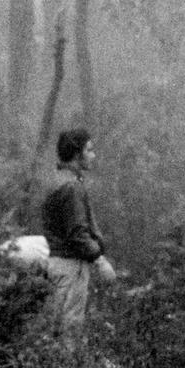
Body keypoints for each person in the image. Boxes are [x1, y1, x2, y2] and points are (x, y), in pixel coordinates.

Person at [40, 128, 114, 335]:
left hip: (57, 263)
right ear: (76, 153)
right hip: (71, 266)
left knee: (56, 324)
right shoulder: (72, 187)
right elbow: (77, 234)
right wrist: (100, 261)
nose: (93, 155)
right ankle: (64, 367)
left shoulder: (56, 180)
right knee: (69, 328)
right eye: (89, 150)